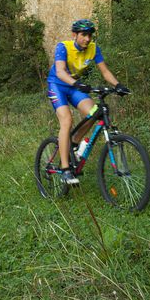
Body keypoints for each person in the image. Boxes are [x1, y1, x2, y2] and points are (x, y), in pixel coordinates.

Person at [47, 18, 130, 185]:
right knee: (67, 120)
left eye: (90, 35)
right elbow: (60, 71)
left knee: (93, 112)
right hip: (57, 85)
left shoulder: (93, 49)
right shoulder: (64, 47)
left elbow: (105, 72)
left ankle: (75, 141)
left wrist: (118, 85)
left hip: (74, 86)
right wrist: (76, 83)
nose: (87, 39)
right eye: (83, 35)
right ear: (74, 35)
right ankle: (65, 169)